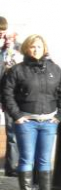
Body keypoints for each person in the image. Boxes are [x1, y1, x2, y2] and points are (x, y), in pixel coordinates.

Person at [1, 34, 61, 190]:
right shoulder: (17, 70)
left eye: (38, 46)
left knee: (44, 160)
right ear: (26, 49)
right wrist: (16, 116)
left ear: (44, 48)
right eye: (32, 46)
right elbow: (7, 94)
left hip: (48, 122)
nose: (35, 49)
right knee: (26, 159)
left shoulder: (54, 69)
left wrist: (60, 115)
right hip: (26, 123)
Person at [1, 19, 23, 177]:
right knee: (11, 133)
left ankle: (14, 165)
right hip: (5, 95)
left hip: (16, 95)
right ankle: (12, 165)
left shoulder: (16, 46)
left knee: (14, 132)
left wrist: (14, 48)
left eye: (3, 30)